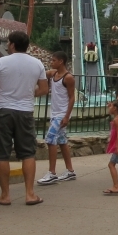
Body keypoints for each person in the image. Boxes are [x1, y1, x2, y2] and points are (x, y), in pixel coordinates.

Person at [0, 30, 49, 206]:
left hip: (4, 109)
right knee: (28, 153)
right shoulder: (37, 64)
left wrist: (2, 95)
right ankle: (30, 194)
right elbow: (43, 89)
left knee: (2, 154)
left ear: (12, 44)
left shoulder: (1, 62)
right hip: (25, 111)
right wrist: (26, 94)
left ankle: (5, 195)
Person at [37, 51, 77, 186]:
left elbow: (72, 98)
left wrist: (67, 116)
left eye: (54, 60)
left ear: (61, 61)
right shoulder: (53, 74)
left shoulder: (68, 77)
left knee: (50, 139)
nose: (51, 62)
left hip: (61, 114)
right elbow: (41, 73)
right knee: (61, 141)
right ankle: (70, 171)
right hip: (55, 113)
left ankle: (52, 173)